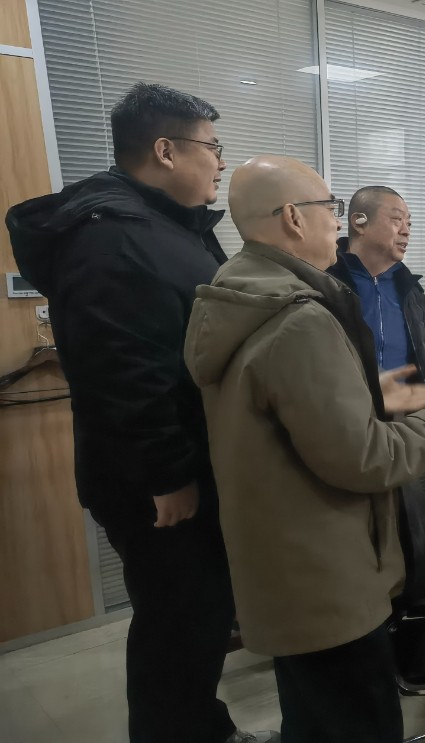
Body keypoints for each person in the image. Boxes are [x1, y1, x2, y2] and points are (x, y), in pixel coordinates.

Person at [5, 83, 275, 743]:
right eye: (211, 147)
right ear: (165, 150)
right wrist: (168, 475)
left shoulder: (164, 225)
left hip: (181, 464)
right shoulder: (113, 238)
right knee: (177, 629)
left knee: (196, 620)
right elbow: (123, 372)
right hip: (156, 483)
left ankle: (205, 729)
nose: (220, 162)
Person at [183, 155, 425, 743]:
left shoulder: (240, 296)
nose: (338, 223)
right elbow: (364, 459)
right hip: (328, 577)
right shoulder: (300, 320)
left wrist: (372, 396)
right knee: (356, 721)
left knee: (314, 717)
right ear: (293, 218)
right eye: (331, 209)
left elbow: (284, 414)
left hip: (286, 565)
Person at [328, 185, 425, 380]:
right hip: (349, 400)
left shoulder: (411, 290)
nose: (406, 231)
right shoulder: (325, 282)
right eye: (397, 220)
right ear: (359, 223)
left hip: (405, 400)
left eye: (409, 223)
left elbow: (424, 361)